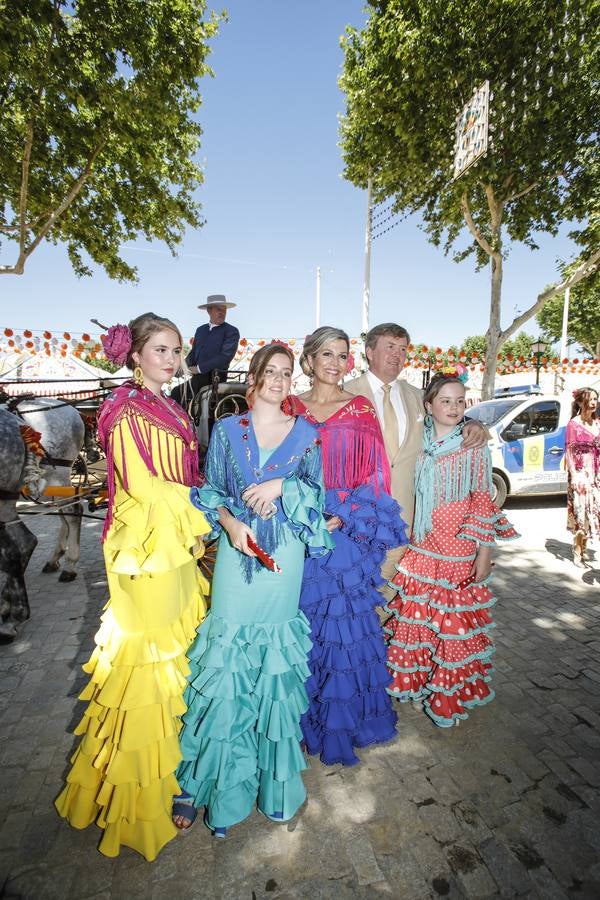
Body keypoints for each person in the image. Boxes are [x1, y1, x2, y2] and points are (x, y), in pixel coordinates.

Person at [55, 313, 210, 860]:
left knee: (172, 668)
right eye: (160, 350)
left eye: (176, 350)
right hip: (145, 550)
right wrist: (208, 507)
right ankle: (137, 807)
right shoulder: (122, 407)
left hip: (177, 548)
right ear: (136, 354)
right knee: (146, 672)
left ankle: (171, 778)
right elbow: (142, 487)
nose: (171, 359)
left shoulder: (171, 404)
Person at [172, 342, 333, 837]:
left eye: (287, 373)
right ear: (255, 377)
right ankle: (211, 785)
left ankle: (274, 785)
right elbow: (212, 491)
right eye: (271, 372)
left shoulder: (307, 434)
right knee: (225, 667)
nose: (280, 381)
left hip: (284, 564)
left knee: (273, 669)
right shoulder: (226, 430)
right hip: (235, 561)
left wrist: (285, 487)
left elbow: (319, 498)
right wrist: (231, 526)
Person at [294, 326, 408, 767]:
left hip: (343, 530)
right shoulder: (288, 406)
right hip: (297, 529)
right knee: (303, 627)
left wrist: (345, 513)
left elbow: (376, 474)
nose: (334, 362)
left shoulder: (359, 408)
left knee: (343, 628)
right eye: (326, 353)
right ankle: (302, 720)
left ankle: (346, 724)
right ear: (309, 359)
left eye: (342, 355)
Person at [384, 368, 518, 728]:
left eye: (460, 401)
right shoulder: (420, 438)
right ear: (429, 406)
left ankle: (447, 694)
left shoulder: (473, 444)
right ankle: (421, 682)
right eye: (446, 401)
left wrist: (484, 551)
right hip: (423, 546)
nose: (454, 407)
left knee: (451, 626)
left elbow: (481, 502)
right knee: (420, 619)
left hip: (457, 550)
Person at [346, 324, 488, 586]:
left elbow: (448, 418)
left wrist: (474, 424)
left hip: (408, 526)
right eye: (390, 347)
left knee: (396, 605)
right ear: (369, 351)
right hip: (357, 524)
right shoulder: (345, 395)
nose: (397, 355)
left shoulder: (416, 396)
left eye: (402, 349)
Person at [171, 294, 240, 405]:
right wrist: (181, 368)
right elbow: (193, 354)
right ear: (209, 310)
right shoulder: (200, 330)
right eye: (218, 309)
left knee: (177, 394)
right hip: (197, 379)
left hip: (215, 379)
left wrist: (199, 368)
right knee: (176, 393)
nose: (222, 313)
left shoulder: (231, 331)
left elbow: (225, 356)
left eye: (224, 310)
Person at [566, 387, 600, 567]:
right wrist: (575, 476)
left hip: (596, 473)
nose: (594, 402)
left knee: (594, 511)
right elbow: (569, 452)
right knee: (581, 512)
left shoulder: (597, 423)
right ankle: (578, 551)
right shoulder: (574, 424)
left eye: (596, 399)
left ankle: (585, 547)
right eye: (590, 399)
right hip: (580, 473)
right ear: (580, 402)